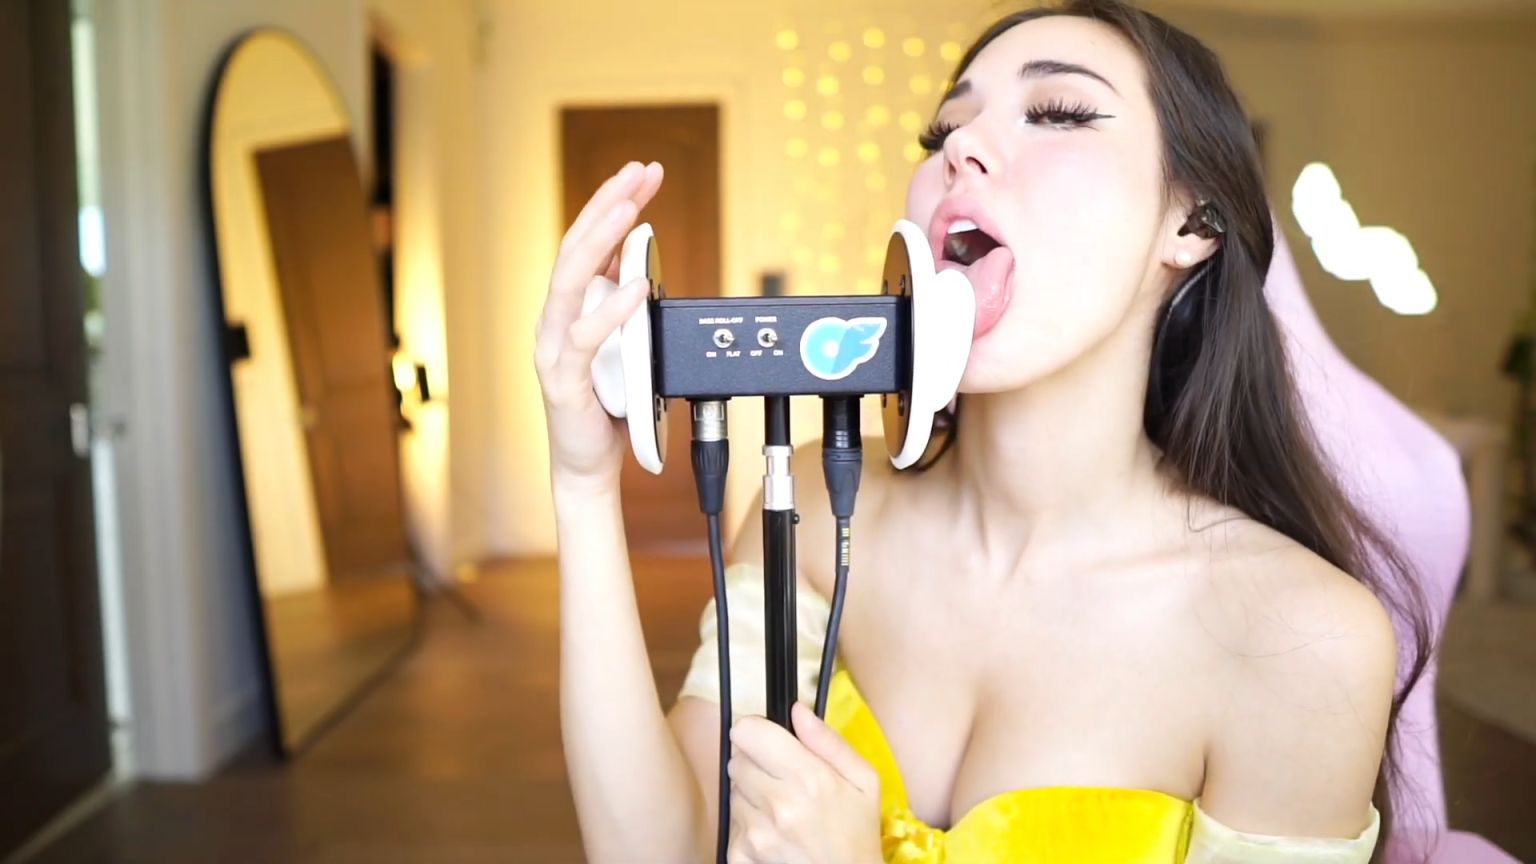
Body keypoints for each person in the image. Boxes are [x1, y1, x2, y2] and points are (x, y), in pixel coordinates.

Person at [535, 1, 1429, 861]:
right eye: (941, 134)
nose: (960, 148)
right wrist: (581, 484)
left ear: (1191, 222)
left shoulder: (1303, 639)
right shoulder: (812, 505)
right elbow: (662, 851)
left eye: (1060, 112)